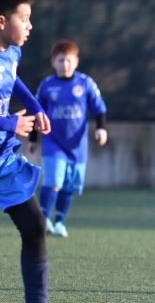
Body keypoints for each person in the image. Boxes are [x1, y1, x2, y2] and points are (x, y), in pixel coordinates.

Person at [0, 0, 70, 303]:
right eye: (24, 18)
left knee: (35, 224)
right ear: (1, 21)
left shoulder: (10, 52)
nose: (30, 26)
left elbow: (11, 81)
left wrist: (36, 106)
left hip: (3, 161)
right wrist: (8, 123)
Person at [31, 39, 108, 238]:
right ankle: (44, 219)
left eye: (68, 60)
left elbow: (99, 108)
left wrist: (101, 129)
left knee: (68, 187)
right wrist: (33, 140)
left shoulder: (85, 83)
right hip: (53, 142)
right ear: (53, 63)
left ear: (76, 62)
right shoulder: (47, 85)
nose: (65, 64)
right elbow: (36, 112)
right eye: (60, 60)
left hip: (77, 146)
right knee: (53, 181)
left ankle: (59, 223)